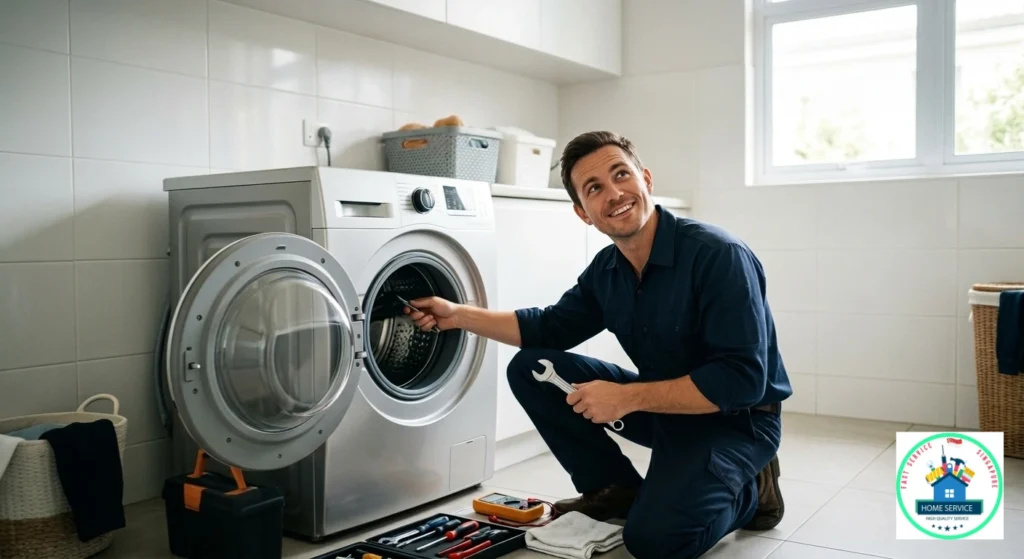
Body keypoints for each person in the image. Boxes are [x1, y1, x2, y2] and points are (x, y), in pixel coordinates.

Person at [404, 131, 792, 559]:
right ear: (583, 213)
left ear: (645, 179)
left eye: (621, 175)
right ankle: (615, 491)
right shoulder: (608, 270)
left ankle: (752, 490)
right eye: (595, 188)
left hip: (737, 420)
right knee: (532, 368)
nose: (614, 193)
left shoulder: (719, 255)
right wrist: (458, 315)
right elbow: (548, 328)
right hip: (665, 409)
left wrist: (625, 397)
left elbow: (742, 381)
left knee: (654, 541)